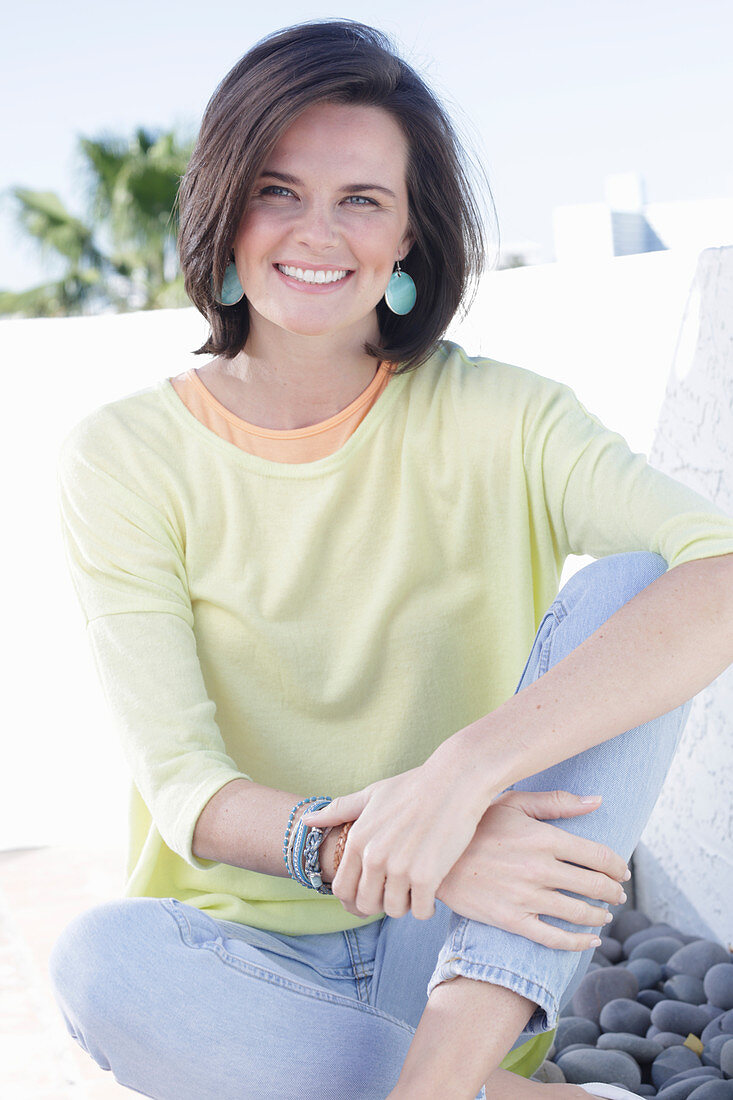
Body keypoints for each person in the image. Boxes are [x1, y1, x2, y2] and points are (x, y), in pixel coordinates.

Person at [49, 19, 733, 1100]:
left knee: (644, 580)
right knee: (99, 963)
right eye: (278, 189)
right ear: (224, 210)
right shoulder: (125, 454)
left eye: (360, 198)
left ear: (410, 235)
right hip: (249, 956)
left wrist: (457, 781)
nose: (315, 231)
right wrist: (407, 842)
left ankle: (437, 1079)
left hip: (469, 955)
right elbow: (186, 783)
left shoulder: (504, 414)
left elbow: (720, 569)